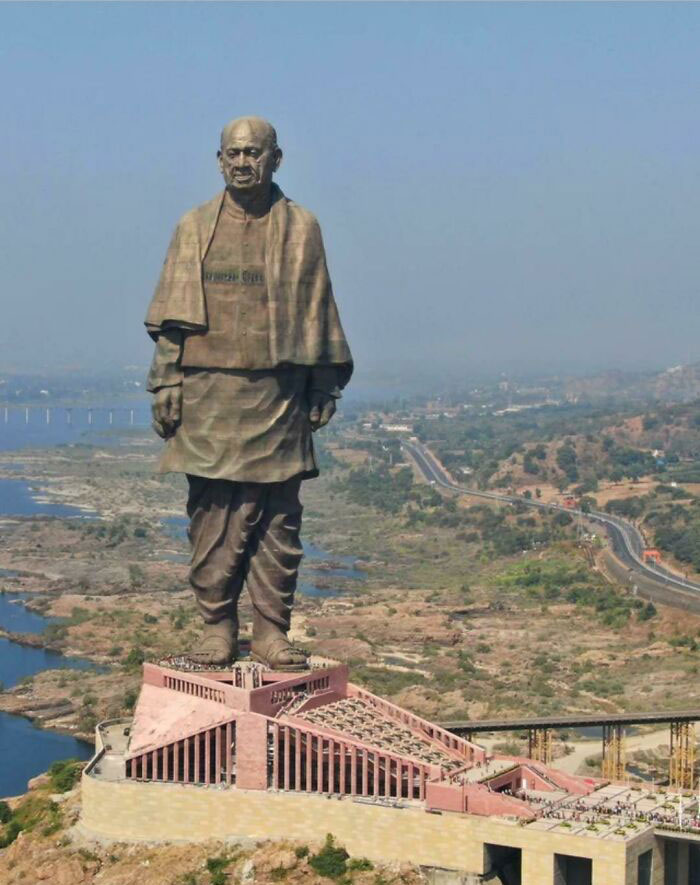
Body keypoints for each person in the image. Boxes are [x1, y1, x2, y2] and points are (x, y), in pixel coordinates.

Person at [144, 116, 352, 669]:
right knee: (212, 515)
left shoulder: (302, 227)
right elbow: (171, 318)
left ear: (275, 159)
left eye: (254, 153)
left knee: (279, 518)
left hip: (278, 394)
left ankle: (270, 631)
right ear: (219, 160)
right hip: (209, 392)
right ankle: (217, 626)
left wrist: (323, 381)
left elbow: (318, 307)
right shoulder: (194, 226)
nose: (242, 162)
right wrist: (167, 379)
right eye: (233, 153)